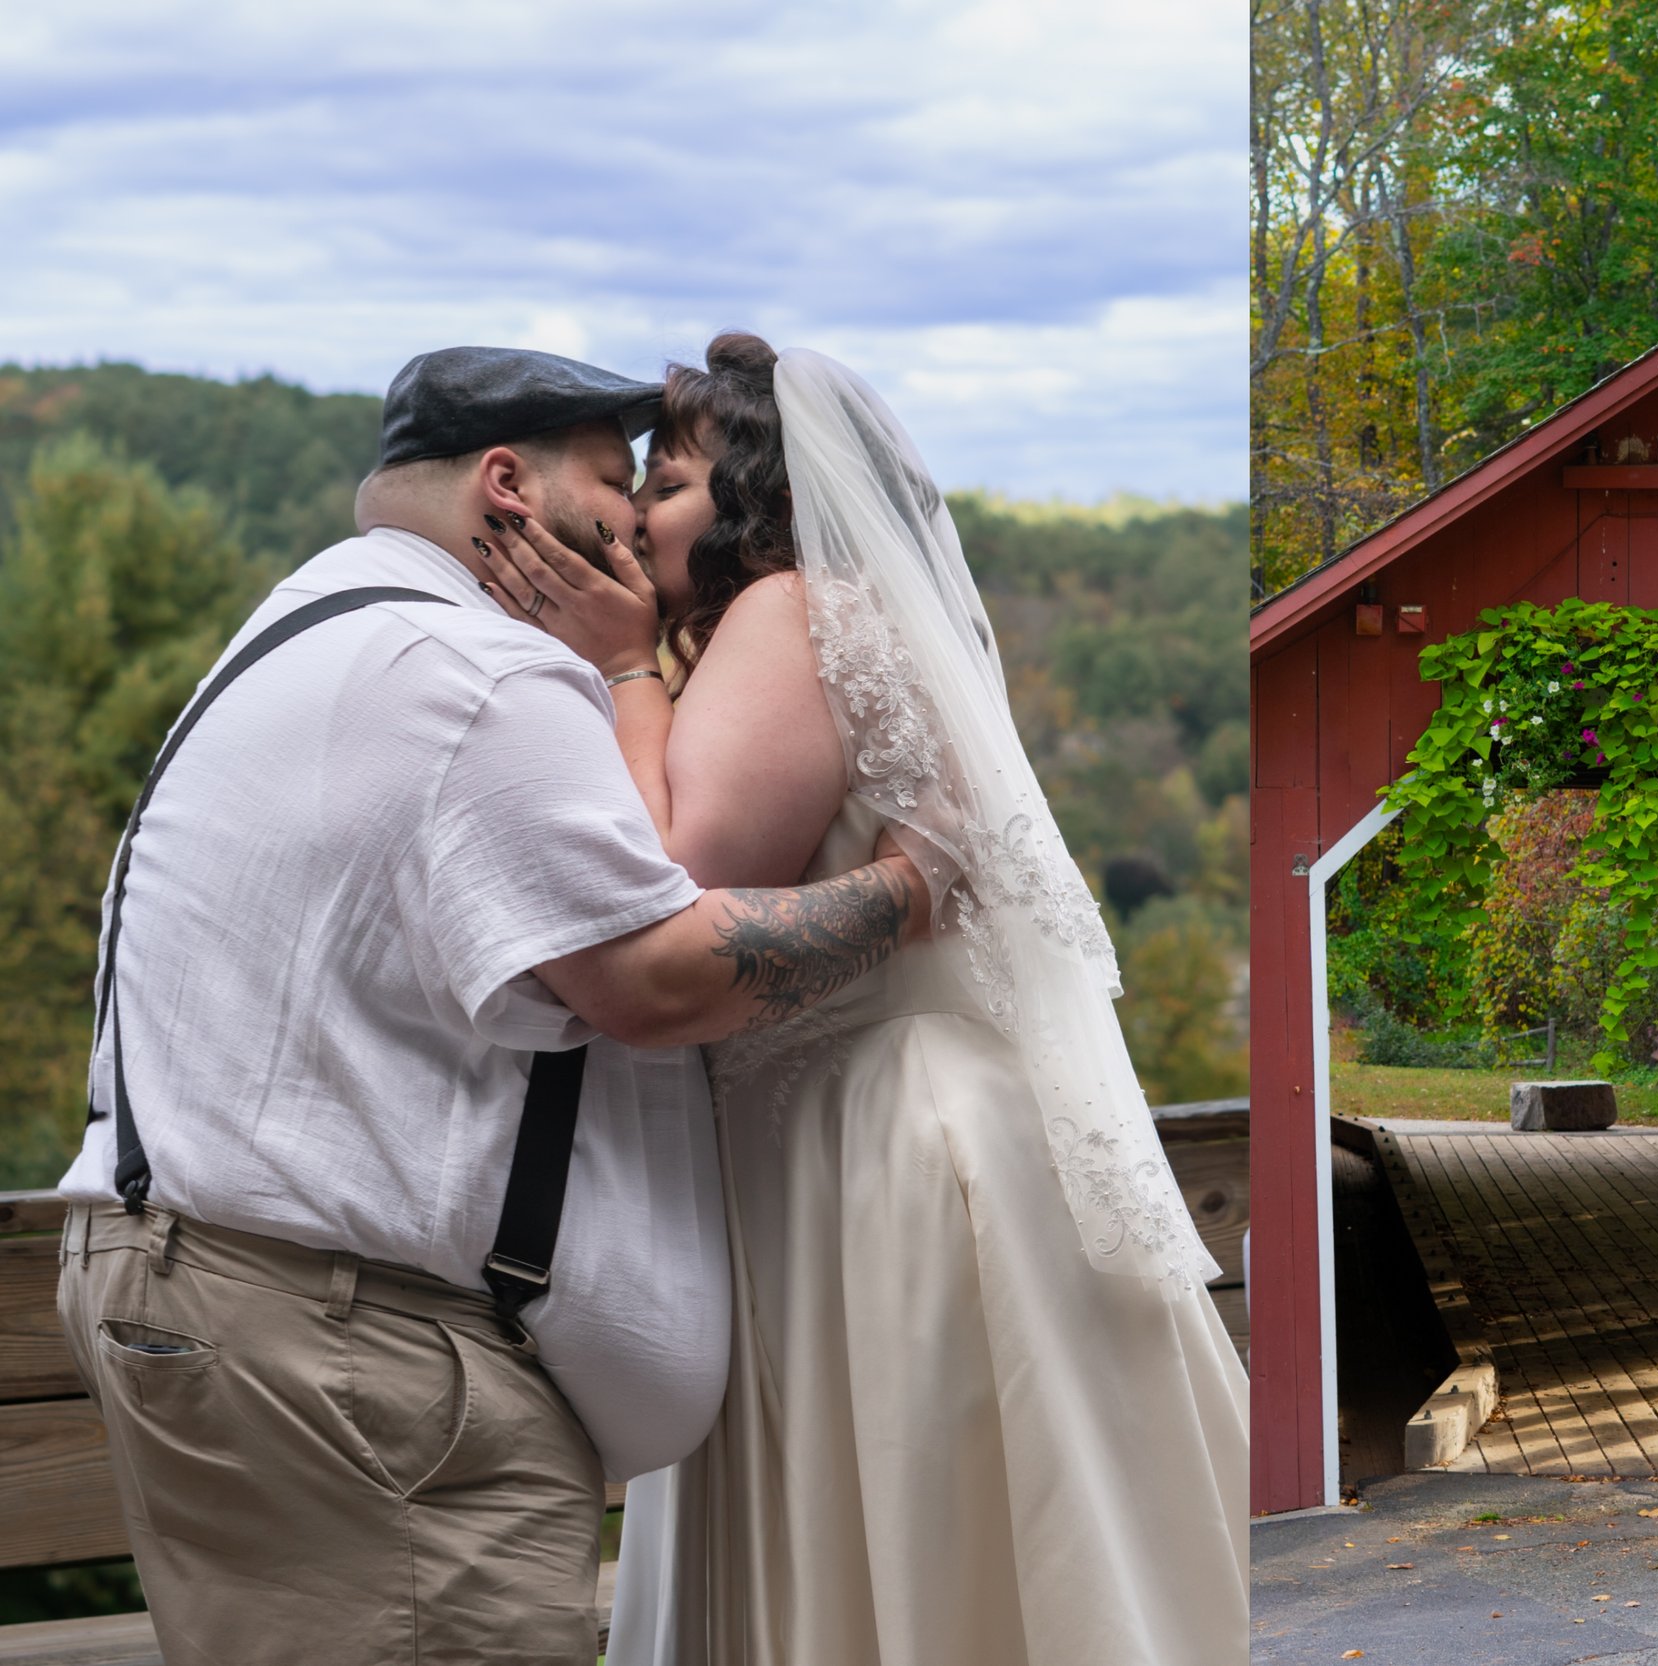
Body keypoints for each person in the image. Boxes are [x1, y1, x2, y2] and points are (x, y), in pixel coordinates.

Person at [52, 346, 950, 1666]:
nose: (637, 520)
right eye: (612, 478)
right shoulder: (480, 673)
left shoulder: (305, 627)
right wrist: (910, 890)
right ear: (506, 484)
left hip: (224, 1306)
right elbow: (656, 973)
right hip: (357, 1367)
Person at [472, 333, 1248, 1665]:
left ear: (757, 498)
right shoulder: (801, 623)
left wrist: (618, 668)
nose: (635, 513)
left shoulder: (792, 610)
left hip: (878, 1147)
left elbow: (678, 884)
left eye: (667, 479)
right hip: (843, 1137)